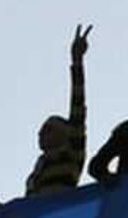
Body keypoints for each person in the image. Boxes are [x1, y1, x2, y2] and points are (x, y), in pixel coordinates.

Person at [26, 25, 91, 197]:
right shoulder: (39, 167)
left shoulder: (71, 152)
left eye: (48, 129)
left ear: (65, 134)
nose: (40, 133)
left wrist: (77, 61)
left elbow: (78, 105)